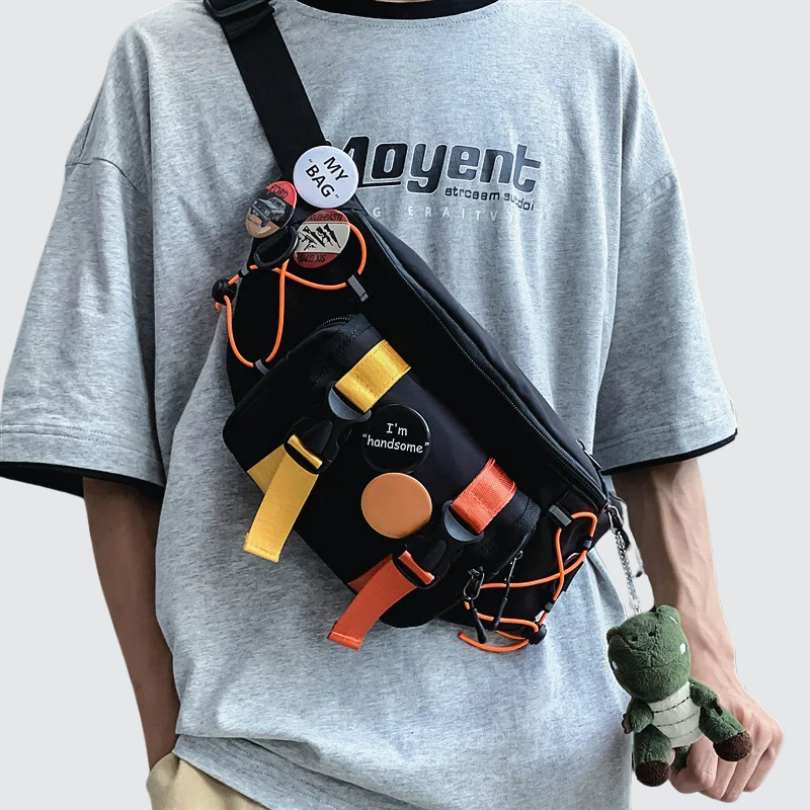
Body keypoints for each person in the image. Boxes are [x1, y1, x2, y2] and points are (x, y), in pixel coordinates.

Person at [0, 1, 782, 808]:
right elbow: (102, 434)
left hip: (550, 765)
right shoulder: (169, 65)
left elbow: (653, 411)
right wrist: (172, 750)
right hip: (257, 767)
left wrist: (709, 654)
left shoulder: (586, 66)